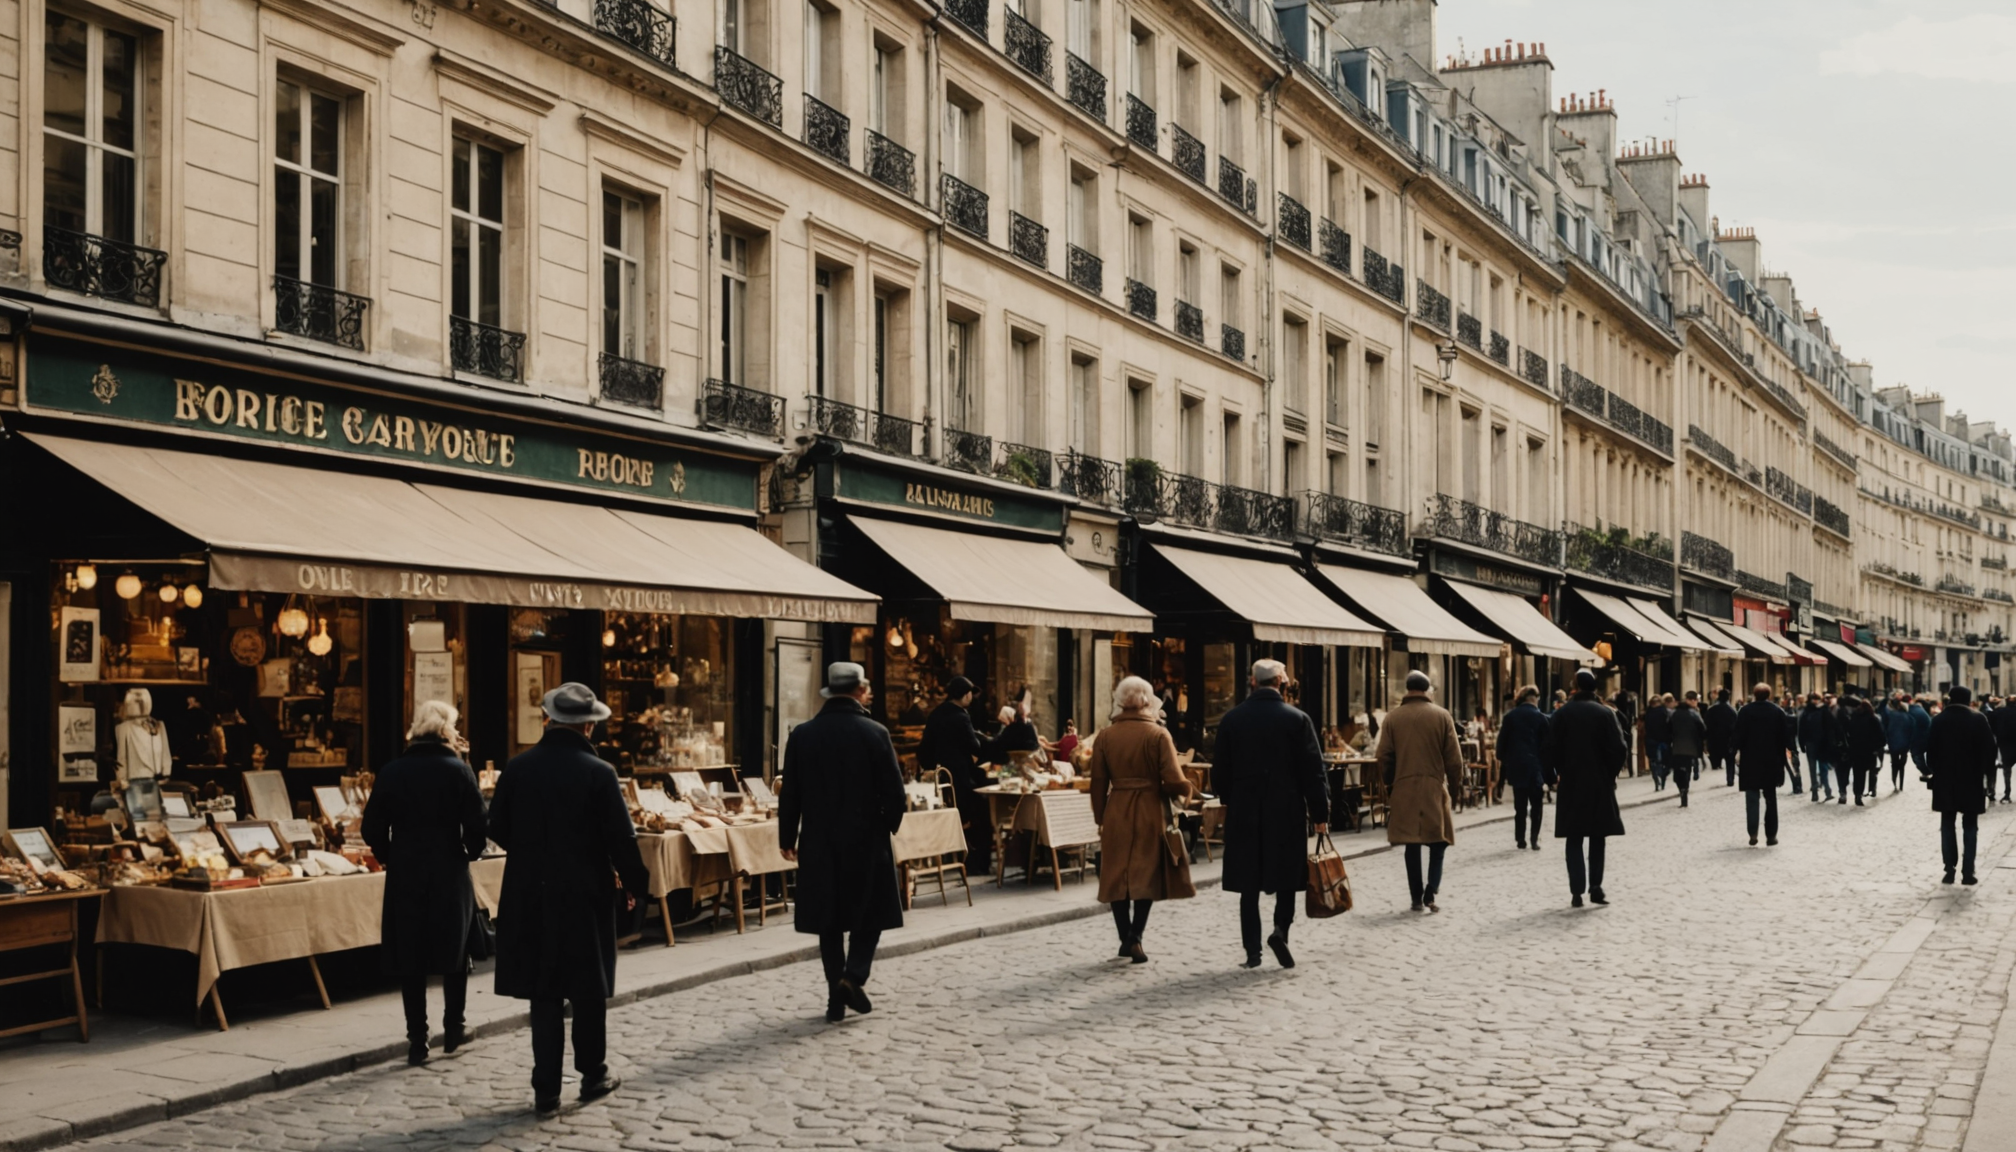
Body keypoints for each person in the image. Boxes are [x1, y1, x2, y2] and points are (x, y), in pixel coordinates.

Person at [488, 683, 649, 1115]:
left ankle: (546, 1088)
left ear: (548, 720)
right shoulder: (598, 772)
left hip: (530, 892)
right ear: (589, 725)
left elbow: (497, 826)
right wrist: (636, 884)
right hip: (584, 892)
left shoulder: (518, 768)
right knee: (587, 988)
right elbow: (621, 838)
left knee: (544, 991)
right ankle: (593, 1073)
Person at [361, 700, 488, 1067]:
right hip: (449, 867)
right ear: (446, 730)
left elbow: (371, 827)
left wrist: (390, 854)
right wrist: (469, 851)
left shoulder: (392, 771)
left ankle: (418, 1040)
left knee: (411, 957)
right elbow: (480, 824)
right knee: (455, 952)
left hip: (406, 871)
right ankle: (454, 1029)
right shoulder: (458, 771)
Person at [779, 662, 907, 1022]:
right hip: (866, 840)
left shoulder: (803, 734)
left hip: (820, 841)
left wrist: (788, 836)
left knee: (829, 921)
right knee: (871, 914)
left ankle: (836, 1000)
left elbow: (790, 793)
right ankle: (853, 977)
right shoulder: (875, 732)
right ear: (859, 690)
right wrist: (886, 826)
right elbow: (895, 794)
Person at [1216, 660, 1328, 967]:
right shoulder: (1298, 719)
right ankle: (1280, 930)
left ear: (1253, 681)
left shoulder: (1232, 719)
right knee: (1288, 877)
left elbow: (1220, 773)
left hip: (1245, 810)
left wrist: (1232, 799)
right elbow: (1313, 772)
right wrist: (1320, 814)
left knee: (1248, 883)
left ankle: (1253, 951)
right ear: (1281, 682)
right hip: (1287, 809)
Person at [1089, 676, 1195, 964]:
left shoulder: (1105, 736)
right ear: (1148, 701)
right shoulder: (1158, 735)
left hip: (1117, 809)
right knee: (1145, 875)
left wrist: (1101, 817)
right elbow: (1173, 778)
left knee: (1116, 876)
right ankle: (1136, 936)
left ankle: (1125, 937)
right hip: (1150, 810)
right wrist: (1186, 791)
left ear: (1121, 702)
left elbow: (1097, 783)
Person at [1379, 670, 1461, 913]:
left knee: (1411, 845)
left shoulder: (1393, 718)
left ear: (1407, 689)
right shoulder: (1442, 716)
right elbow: (1454, 760)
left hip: (1403, 788)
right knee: (1439, 842)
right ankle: (1431, 890)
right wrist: (1455, 790)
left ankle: (1416, 896)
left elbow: (1383, 757)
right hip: (1434, 788)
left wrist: (1390, 786)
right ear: (1427, 690)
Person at [1546, 669, 1627, 906]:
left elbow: (1549, 747)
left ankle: (1576, 891)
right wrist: (1609, 773)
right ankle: (1596, 887)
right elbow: (1620, 748)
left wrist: (1554, 775)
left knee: (1574, 837)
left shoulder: (1562, 714)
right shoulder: (1605, 713)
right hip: (1599, 783)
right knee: (1597, 836)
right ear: (1594, 688)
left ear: (1576, 686)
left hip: (1571, 781)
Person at [919, 677, 989, 873]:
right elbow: (974, 746)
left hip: (942, 777)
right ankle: (974, 863)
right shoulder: (961, 716)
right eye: (970, 694)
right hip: (962, 775)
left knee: (951, 814)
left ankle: (951, 857)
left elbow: (924, 749)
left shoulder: (936, 714)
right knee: (975, 814)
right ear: (965, 694)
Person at [1925, 686, 1995, 884]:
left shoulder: (1938, 721)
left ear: (1949, 699)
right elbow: (1990, 751)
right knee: (1970, 825)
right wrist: (1986, 776)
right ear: (1968, 700)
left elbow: (1930, 753)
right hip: (1971, 781)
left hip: (1945, 781)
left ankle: (1949, 869)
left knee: (1947, 824)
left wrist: (1936, 769)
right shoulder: (1979, 720)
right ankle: (1968, 871)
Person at [1732, 683, 1794, 846]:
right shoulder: (1777, 712)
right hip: (1771, 761)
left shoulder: (1745, 712)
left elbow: (1737, 736)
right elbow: (1786, 736)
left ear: (1754, 694)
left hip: (1750, 761)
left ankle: (1753, 833)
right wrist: (1790, 752)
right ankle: (1771, 836)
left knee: (1751, 798)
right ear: (1769, 695)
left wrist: (1733, 752)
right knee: (1770, 799)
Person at [1495, 686, 1550, 850]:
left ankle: (1520, 839)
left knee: (1520, 806)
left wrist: (1506, 760)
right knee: (1536, 806)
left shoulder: (1510, 717)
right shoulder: (1541, 718)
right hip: (1536, 768)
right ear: (1534, 698)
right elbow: (1548, 747)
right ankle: (1534, 839)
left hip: (1517, 767)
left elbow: (1501, 745)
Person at [1843, 695, 1885, 807]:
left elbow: (1848, 733)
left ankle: (1858, 794)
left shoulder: (1854, 718)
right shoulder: (1873, 719)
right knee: (1872, 771)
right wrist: (1878, 747)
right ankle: (1872, 789)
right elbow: (1881, 735)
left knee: (1858, 773)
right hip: (1869, 751)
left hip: (1856, 750)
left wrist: (1850, 745)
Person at [1668, 692, 1706, 809]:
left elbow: (1667, 729)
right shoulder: (1694, 714)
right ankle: (1685, 790)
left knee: (1678, 771)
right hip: (1691, 748)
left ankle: (1682, 789)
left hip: (1676, 747)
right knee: (1687, 771)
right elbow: (1703, 729)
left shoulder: (1673, 714)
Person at [1799, 694, 1835, 803]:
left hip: (1815, 744)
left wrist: (1802, 744)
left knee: (1816, 768)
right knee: (1818, 767)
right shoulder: (1819, 711)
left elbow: (1801, 729)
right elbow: (1829, 728)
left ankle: (1820, 790)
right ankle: (1823, 790)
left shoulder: (1808, 712)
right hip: (1818, 743)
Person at [1706, 687, 1738, 787]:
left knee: (1717, 758)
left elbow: (1707, 725)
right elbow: (1735, 727)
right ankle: (1730, 779)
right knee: (1730, 761)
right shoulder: (1731, 711)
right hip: (1728, 740)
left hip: (1715, 739)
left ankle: (1716, 765)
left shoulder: (1711, 710)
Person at [1643, 694, 1672, 791]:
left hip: (1651, 740)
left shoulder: (1647, 713)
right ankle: (1662, 779)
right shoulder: (1665, 712)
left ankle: (1657, 781)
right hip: (1663, 741)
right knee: (1664, 763)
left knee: (1654, 762)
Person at [1991, 694, 2016, 805]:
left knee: (2007, 770)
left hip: (2005, 744)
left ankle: (2007, 793)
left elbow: (1993, 726)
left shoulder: (2000, 712)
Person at [1885, 695, 1913, 794]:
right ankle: (1901, 784)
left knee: (1894, 764)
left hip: (1893, 744)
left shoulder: (1891, 715)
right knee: (1902, 765)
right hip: (1905, 744)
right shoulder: (1908, 716)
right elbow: (1912, 730)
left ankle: (1895, 782)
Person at [1908, 695, 1934, 782]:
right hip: (1925, 734)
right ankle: (1928, 770)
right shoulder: (1919, 710)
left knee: (1917, 755)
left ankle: (1927, 771)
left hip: (1920, 736)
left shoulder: (1911, 711)